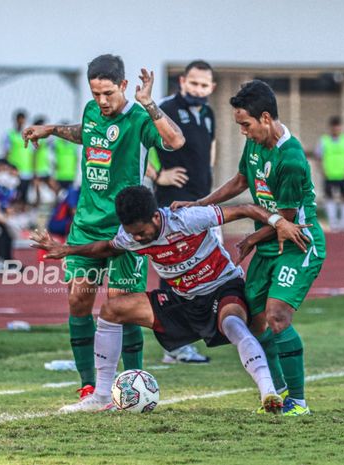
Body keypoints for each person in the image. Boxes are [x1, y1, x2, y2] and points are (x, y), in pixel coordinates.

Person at [31, 185, 311, 413]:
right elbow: (108, 247)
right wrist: (66, 250)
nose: (137, 239)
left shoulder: (188, 219)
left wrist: (278, 222)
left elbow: (245, 209)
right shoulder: (131, 235)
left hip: (223, 288)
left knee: (234, 325)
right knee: (111, 309)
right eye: (132, 234)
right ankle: (102, 394)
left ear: (155, 217)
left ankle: (268, 393)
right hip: (182, 300)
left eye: (141, 233)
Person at [21, 54, 185, 400]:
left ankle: (132, 388)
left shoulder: (140, 118)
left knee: (122, 307)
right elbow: (88, 134)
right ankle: (88, 385)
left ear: (124, 85)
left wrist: (151, 104)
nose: (102, 101)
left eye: (108, 93)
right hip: (87, 225)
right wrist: (51, 129)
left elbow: (174, 142)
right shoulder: (92, 111)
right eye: (96, 94)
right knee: (78, 301)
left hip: (128, 230)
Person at [173, 80, 326, 416]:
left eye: (245, 124)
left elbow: (283, 222)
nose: (243, 131)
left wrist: (249, 241)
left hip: (297, 244)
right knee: (255, 324)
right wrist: (199, 205)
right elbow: (241, 181)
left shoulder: (292, 160)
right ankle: (279, 391)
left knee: (277, 317)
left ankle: (298, 403)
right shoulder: (256, 145)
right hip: (268, 243)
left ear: (266, 118)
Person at [147, 59, 219, 364]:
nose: (199, 90)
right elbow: (135, 146)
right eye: (194, 83)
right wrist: (157, 175)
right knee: (175, 271)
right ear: (182, 81)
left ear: (211, 87)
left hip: (201, 202)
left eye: (204, 85)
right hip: (173, 202)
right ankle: (173, 346)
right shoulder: (164, 109)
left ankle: (188, 338)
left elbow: (209, 153)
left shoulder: (209, 114)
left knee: (202, 272)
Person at [314, 115, 344, 232]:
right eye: (334, 127)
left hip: (343, 174)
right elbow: (318, 156)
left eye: (338, 127)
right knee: (329, 198)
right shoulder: (324, 140)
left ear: (341, 127)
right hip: (329, 174)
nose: (336, 129)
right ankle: (333, 222)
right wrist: (321, 170)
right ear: (331, 128)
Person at [3, 110, 34, 206]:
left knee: (24, 197)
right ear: (15, 120)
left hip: (27, 170)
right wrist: (7, 168)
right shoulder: (9, 134)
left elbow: (33, 154)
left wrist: (34, 169)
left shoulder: (29, 135)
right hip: (14, 171)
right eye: (19, 120)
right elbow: (6, 152)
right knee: (13, 196)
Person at [52, 121, 79, 192]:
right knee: (58, 196)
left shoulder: (74, 143)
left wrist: (76, 170)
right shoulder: (57, 143)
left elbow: (77, 158)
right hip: (59, 174)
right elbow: (50, 156)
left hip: (70, 174)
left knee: (69, 196)